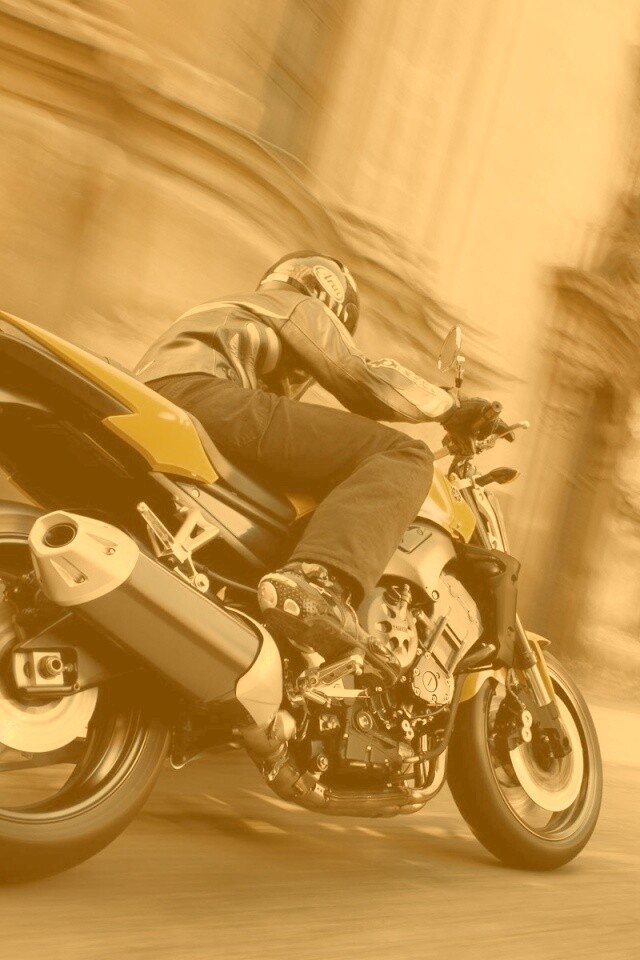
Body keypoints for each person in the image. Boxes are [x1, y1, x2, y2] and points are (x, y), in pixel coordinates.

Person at [135, 252, 490, 674]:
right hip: (207, 398)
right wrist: (451, 408)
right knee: (403, 454)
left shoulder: (229, 312)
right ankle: (318, 581)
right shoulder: (295, 306)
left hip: (172, 404)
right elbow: (358, 376)